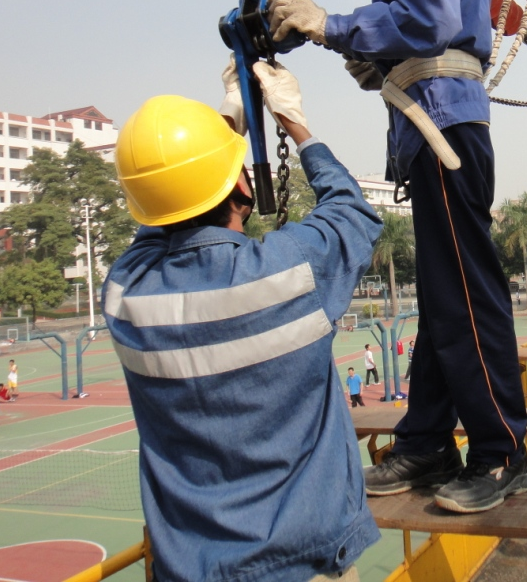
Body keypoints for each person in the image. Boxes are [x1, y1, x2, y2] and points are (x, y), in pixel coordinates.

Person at [267, 0, 527, 515]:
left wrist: (333, 24)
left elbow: (429, 16)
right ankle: (427, 442)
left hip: (442, 123)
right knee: (446, 298)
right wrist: (372, 52)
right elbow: (421, 24)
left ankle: (503, 452)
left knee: (465, 296)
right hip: (433, 124)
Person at [102, 62, 382, 582]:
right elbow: (352, 211)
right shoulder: (291, 270)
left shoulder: (125, 295)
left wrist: (228, 120)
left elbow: (162, 215)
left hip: (186, 569)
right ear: (240, 184)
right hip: (302, 562)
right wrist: (295, 123)